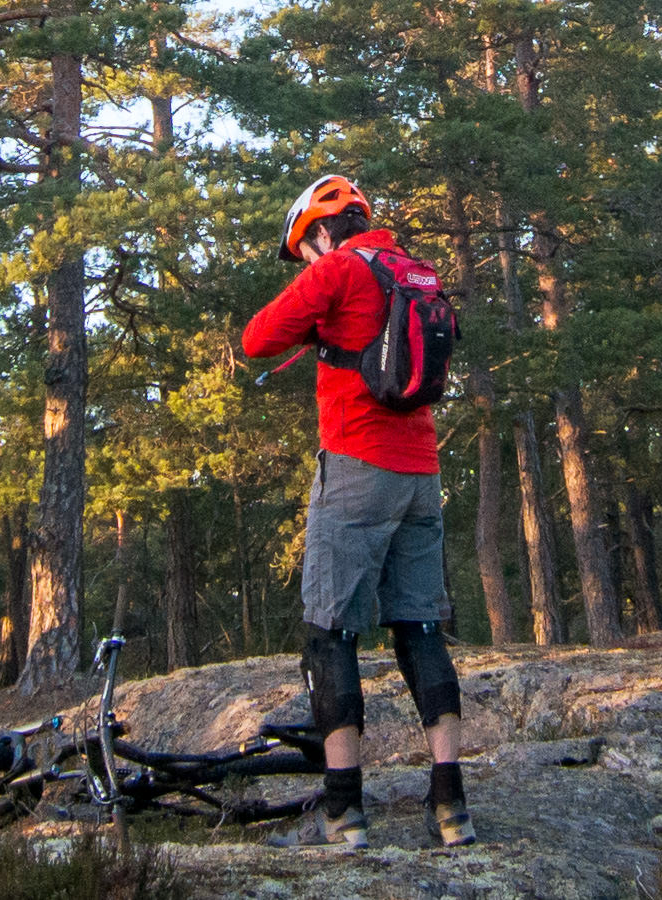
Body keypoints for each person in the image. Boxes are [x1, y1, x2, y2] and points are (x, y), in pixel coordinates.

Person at [243, 174, 475, 849]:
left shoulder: (336, 270)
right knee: (421, 629)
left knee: (331, 632)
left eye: (303, 249)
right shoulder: (413, 269)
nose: (305, 260)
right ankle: (451, 806)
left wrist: (316, 297)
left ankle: (344, 811)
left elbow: (257, 339)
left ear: (320, 232)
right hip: (422, 472)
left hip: (355, 467)